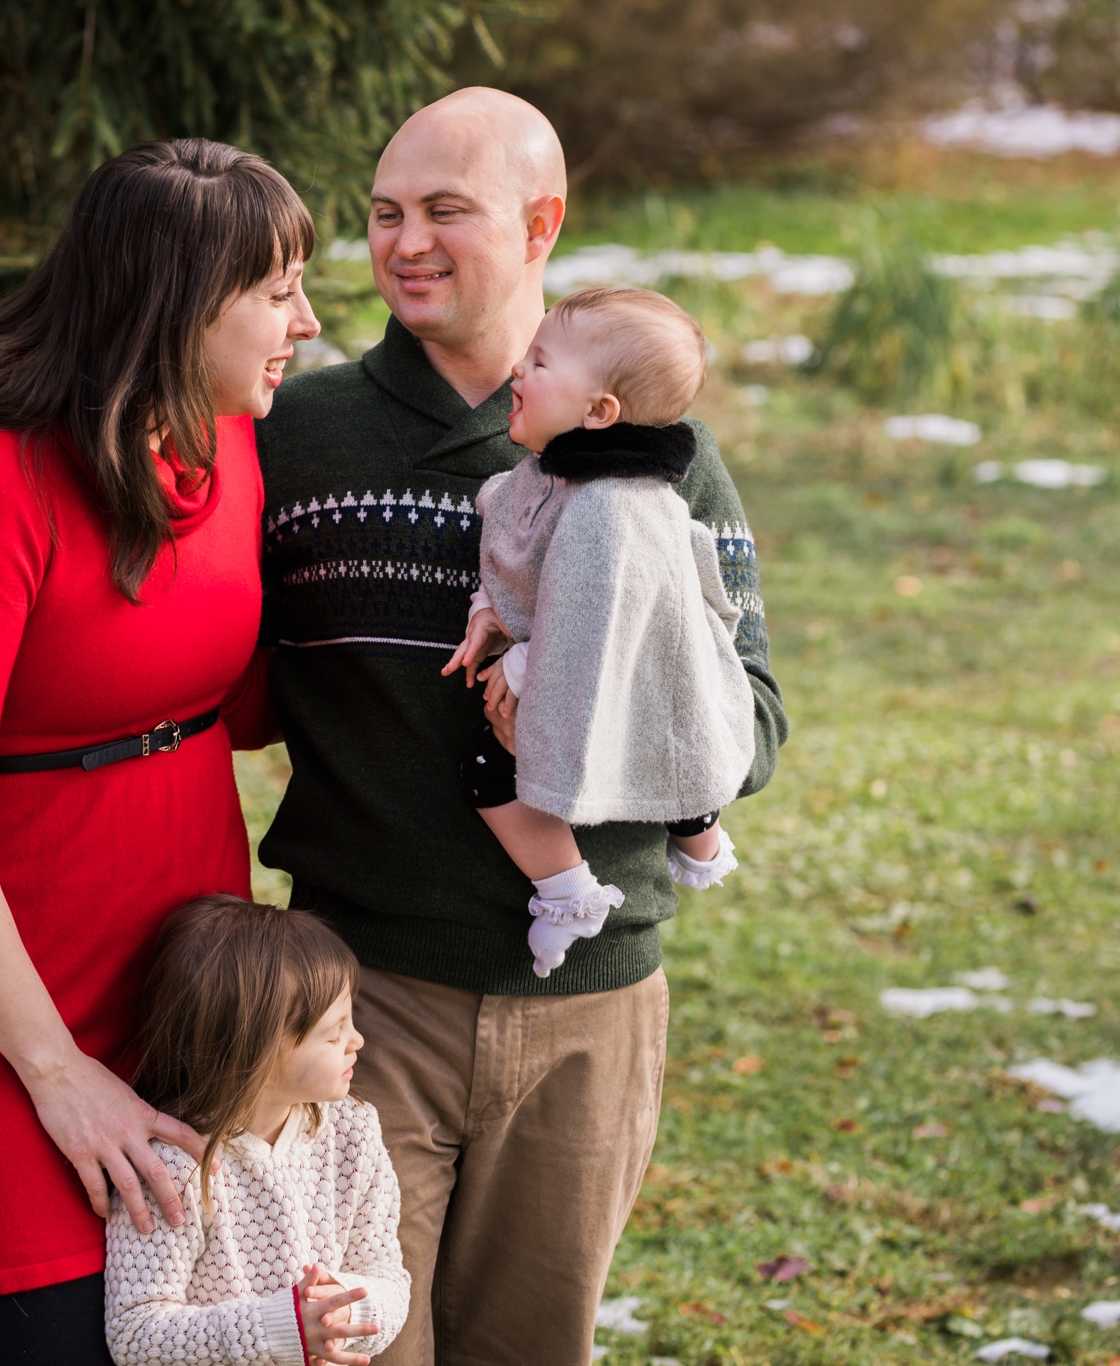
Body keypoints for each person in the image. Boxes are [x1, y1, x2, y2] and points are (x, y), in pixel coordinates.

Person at [254, 88, 787, 1365]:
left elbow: (752, 723)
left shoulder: (658, 454)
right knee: (351, 1350)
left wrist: (593, 696)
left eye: (447, 210)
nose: (405, 242)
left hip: (587, 1017)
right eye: (384, 215)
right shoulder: (294, 436)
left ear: (542, 223)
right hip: (360, 999)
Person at [0, 139, 320, 1366]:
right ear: (174, 304)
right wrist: (54, 1072)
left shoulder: (230, 439)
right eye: (275, 293)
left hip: (180, 974)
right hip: (2, 1012)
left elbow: (246, 699)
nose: (306, 323)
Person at [442, 286, 752, 978]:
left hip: (643, 671)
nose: (518, 370)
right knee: (670, 742)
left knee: (499, 770)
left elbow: (591, 613)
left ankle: (569, 894)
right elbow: (520, 565)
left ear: (599, 412)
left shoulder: (611, 506)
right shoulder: (553, 479)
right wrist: (487, 609)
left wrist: (525, 667)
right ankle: (695, 833)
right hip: (631, 682)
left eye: (541, 362)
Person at [105, 894, 410, 1366]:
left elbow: (387, 1276)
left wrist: (341, 1308)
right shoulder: (173, 1165)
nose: (357, 1042)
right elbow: (137, 1333)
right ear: (255, 1050)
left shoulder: (352, 1130)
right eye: (334, 1033)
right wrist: (283, 1327)